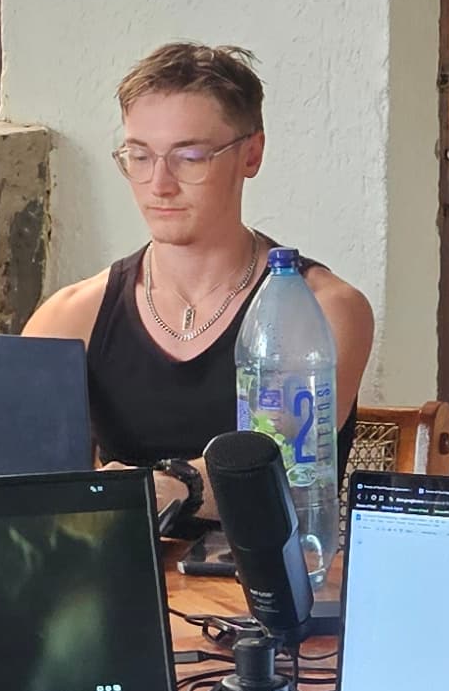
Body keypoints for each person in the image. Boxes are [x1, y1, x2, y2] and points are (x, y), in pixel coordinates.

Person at [21, 41, 375, 470]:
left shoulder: (323, 311)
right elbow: (28, 475)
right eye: (140, 156)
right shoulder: (69, 319)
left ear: (251, 154)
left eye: (189, 157)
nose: (159, 184)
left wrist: (164, 487)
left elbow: (276, 460)